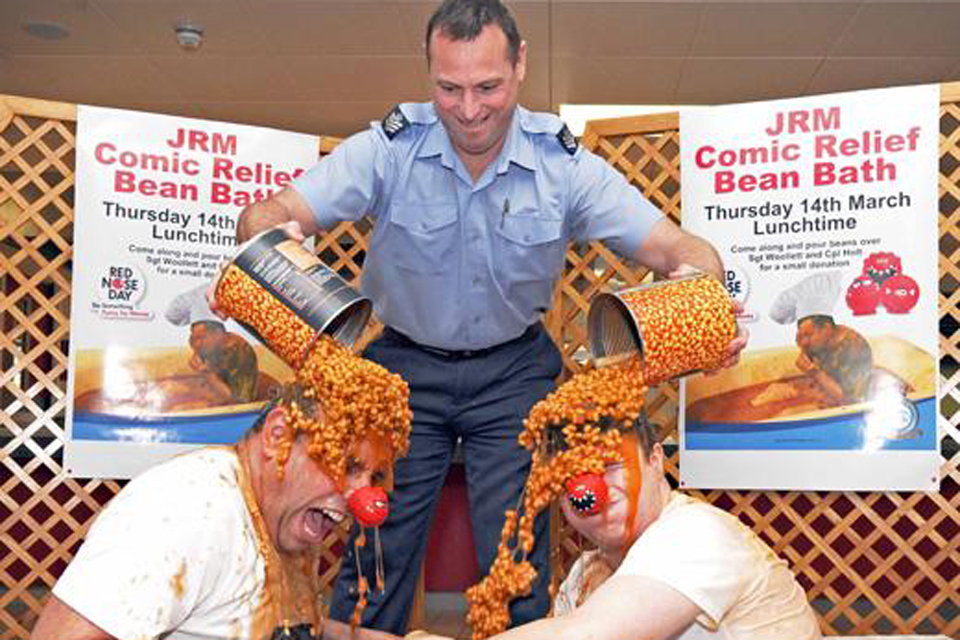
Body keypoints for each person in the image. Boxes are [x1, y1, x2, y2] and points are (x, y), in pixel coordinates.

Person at [230, 0, 746, 633]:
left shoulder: (565, 166)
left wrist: (699, 288)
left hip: (514, 372)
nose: (469, 109)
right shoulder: (387, 150)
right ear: (429, 75)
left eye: (487, 87)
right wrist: (268, 241)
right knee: (376, 534)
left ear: (521, 65)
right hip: (399, 368)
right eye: (449, 88)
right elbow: (267, 213)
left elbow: (681, 248)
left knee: (517, 541)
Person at [30, 384, 404, 640]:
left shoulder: (284, 514)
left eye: (375, 475)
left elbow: (284, 627)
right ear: (279, 436)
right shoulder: (186, 508)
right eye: (348, 465)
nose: (362, 496)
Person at [411, 417, 823, 640]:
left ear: (656, 460)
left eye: (610, 466)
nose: (591, 490)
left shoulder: (695, 534)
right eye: (571, 475)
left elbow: (589, 635)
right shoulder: (586, 574)